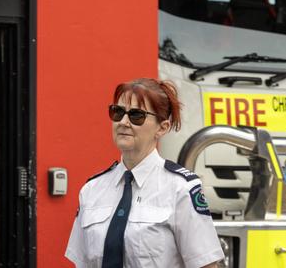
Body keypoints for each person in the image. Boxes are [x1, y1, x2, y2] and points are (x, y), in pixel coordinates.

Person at [65, 78, 224, 268]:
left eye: (136, 115)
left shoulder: (181, 189)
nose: (123, 122)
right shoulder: (92, 190)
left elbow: (206, 265)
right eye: (117, 112)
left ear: (162, 127)